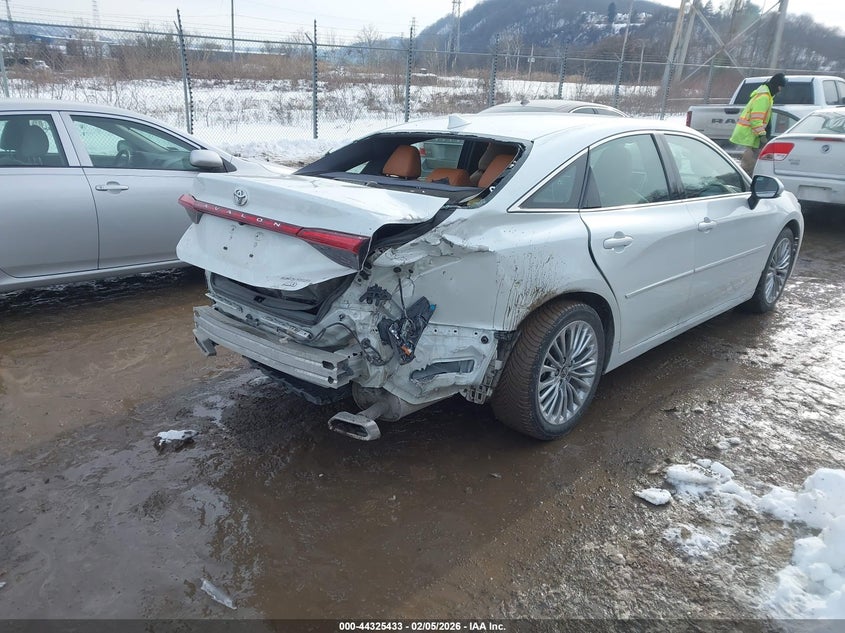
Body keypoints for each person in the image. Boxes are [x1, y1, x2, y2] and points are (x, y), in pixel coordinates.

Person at [729, 72, 787, 176]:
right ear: (775, 85)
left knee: (751, 167)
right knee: (748, 167)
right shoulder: (763, 98)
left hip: (753, 138)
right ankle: (743, 183)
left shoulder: (766, 96)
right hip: (752, 137)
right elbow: (756, 120)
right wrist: (762, 136)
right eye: (780, 87)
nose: (780, 90)